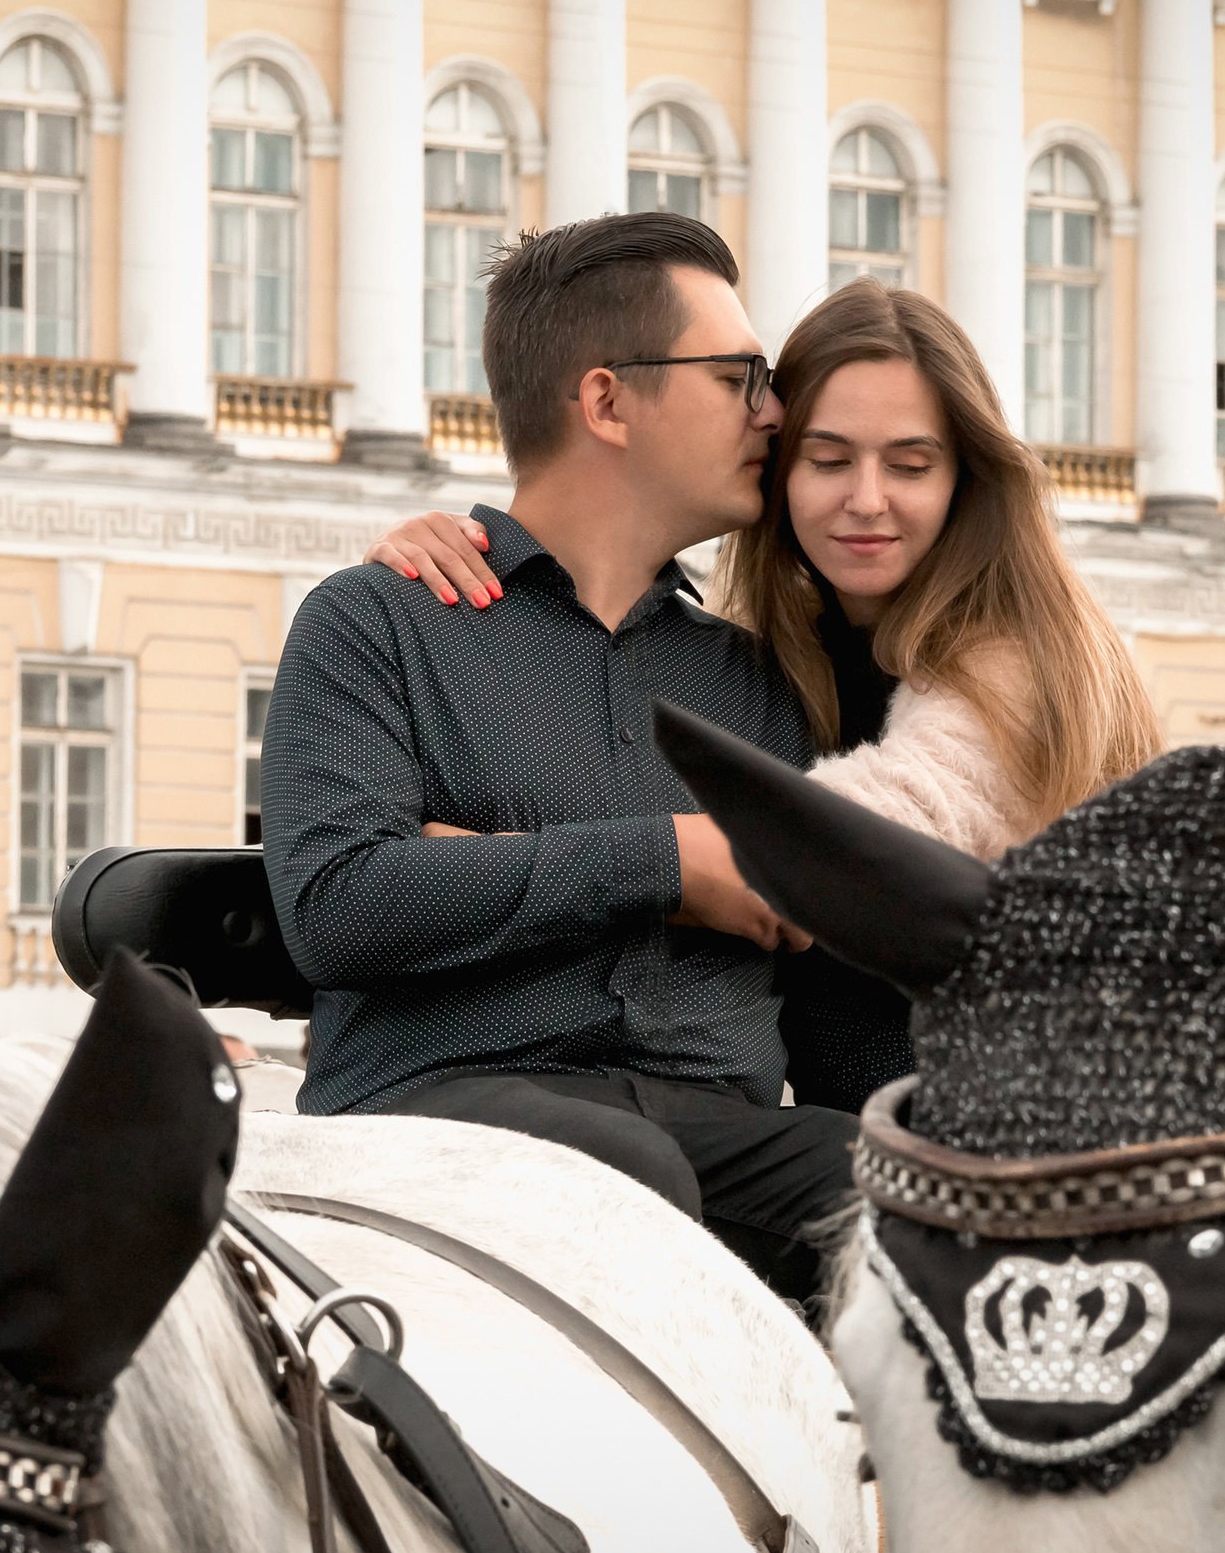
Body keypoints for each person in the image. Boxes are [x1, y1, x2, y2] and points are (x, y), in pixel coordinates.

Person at [259, 212, 860, 1307]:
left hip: (712, 1130)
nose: (773, 411)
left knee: (914, 1196)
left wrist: (492, 863)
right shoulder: (379, 624)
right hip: (438, 1120)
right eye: (739, 377)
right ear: (605, 401)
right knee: (621, 1177)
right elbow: (341, 904)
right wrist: (672, 863)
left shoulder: (766, 683)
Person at [369, 279, 1162, 1105]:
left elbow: (812, 859)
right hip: (853, 1145)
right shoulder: (776, 650)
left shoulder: (1019, 665)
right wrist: (440, 558)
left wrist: (470, 864)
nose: (866, 499)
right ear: (775, 471)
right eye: (826, 460)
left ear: (968, 480)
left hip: (1014, 1149)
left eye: (911, 465)